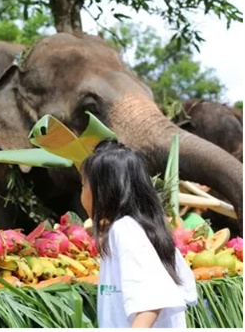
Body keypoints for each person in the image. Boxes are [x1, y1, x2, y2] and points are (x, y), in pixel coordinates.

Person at [80, 138, 197, 328]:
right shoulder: (137, 229)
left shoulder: (125, 229)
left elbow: (153, 299)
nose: (82, 194)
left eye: (83, 186)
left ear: (103, 191)